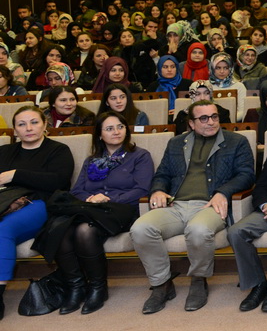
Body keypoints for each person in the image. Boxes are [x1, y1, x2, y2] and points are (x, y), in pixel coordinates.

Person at [131, 100, 255, 314]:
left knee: (198, 230)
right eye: (203, 118)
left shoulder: (236, 141)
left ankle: (198, 280)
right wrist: (158, 190)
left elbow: (246, 174)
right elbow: (162, 174)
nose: (211, 122)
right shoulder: (176, 143)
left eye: (214, 116)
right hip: (176, 205)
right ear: (191, 123)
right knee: (140, 229)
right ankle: (161, 284)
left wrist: (223, 192)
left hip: (209, 205)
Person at [35, 111, 154, 314]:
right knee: (61, 229)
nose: (116, 132)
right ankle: (76, 287)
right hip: (91, 209)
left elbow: (142, 189)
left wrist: (107, 198)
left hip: (122, 209)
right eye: (109, 128)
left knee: (84, 230)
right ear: (100, 134)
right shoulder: (92, 160)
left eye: (120, 127)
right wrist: (90, 199)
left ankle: (98, 287)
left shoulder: (139, 156)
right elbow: (77, 190)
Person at [0, 106, 76, 319]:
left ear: (44, 125)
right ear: (15, 130)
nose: (28, 128)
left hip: (40, 204)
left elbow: (59, 182)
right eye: (21, 124)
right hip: (4, 202)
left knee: (3, 229)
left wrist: (15, 175)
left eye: (34, 122)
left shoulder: (58, 150)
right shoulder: (4, 151)